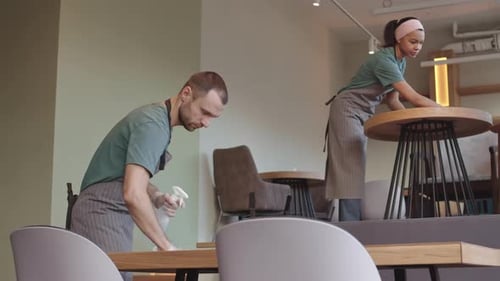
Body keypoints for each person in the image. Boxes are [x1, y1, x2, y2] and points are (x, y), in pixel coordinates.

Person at [70, 71, 228, 281]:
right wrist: (168, 248)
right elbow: (133, 194)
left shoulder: (156, 121)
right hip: (102, 209)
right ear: (186, 93)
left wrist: (156, 197)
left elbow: (130, 176)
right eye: (204, 112)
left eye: (212, 118)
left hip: (108, 210)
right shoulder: (153, 125)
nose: (206, 123)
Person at [324, 17, 441, 221]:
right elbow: (412, 96)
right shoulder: (384, 60)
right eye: (413, 42)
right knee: (350, 169)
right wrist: (443, 109)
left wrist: (409, 122)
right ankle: (351, 228)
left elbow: (393, 100)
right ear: (398, 39)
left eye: (420, 43)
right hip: (347, 109)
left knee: (354, 168)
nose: (417, 47)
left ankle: (351, 225)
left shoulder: (400, 62)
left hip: (362, 112)